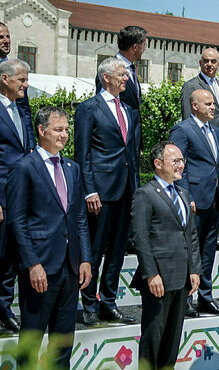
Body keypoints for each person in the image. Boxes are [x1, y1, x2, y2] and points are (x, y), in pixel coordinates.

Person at [7, 107, 91, 368]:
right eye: (58, 129)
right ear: (41, 131)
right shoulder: (24, 167)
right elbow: (16, 221)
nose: (64, 135)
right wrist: (32, 264)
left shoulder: (72, 168)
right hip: (40, 268)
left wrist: (86, 259)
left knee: (62, 345)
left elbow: (78, 218)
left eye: (67, 130)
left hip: (69, 267)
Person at [75, 57, 141, 326]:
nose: (126, 79)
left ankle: (109, 301)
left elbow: (132, 154)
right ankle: (89, 302)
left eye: (126, 75)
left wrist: (135, 189)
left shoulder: (129, 110)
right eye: (121, 74)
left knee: (117, 251)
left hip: (126, 189)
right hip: (100, 192)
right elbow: (83, 153)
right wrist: (89, 190)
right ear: (106, 77)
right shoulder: (89, 108)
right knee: (95, 247)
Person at [129, 141, 200, 370]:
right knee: (153, 340)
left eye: (182, 161)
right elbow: (140, 238)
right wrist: (151, 274)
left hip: (181, 279)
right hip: (158, 279)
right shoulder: (145, 194)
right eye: (175, 161)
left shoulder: (183, 193)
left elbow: (191, 235)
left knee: (172, 342)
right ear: (158, 164)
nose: (181, 165)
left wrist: (195, 269)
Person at [169, 90, 219, 317]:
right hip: (194, 199)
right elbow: (178, 165)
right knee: (190, 250)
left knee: (208, 250)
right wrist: (186, 197)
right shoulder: (183, 130)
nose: (213, 107)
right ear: (194, 106)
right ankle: (185, 298)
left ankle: (206, 297)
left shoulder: (215, 130)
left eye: (213, 103)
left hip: (213, 198)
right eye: (208, 104)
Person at [0, 59, 36, 333]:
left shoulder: (21, 111)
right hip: (2, 193)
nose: (26, 84)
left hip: (23, 192)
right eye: (21, 80)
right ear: (5, 79)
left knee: (13, 254)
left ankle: (5, 308)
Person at [180, 48, 219, 167]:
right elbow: (187, 119)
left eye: (213, 61)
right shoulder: (191, 86)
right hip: (203, 147)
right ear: (200, 63)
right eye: (206, 61)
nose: (209, 64)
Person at [95, 26, 147, 111]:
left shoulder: (131, 69)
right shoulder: (109, 69)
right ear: (135, 47)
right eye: (144, 45)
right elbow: (102, 105)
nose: (144, 49)